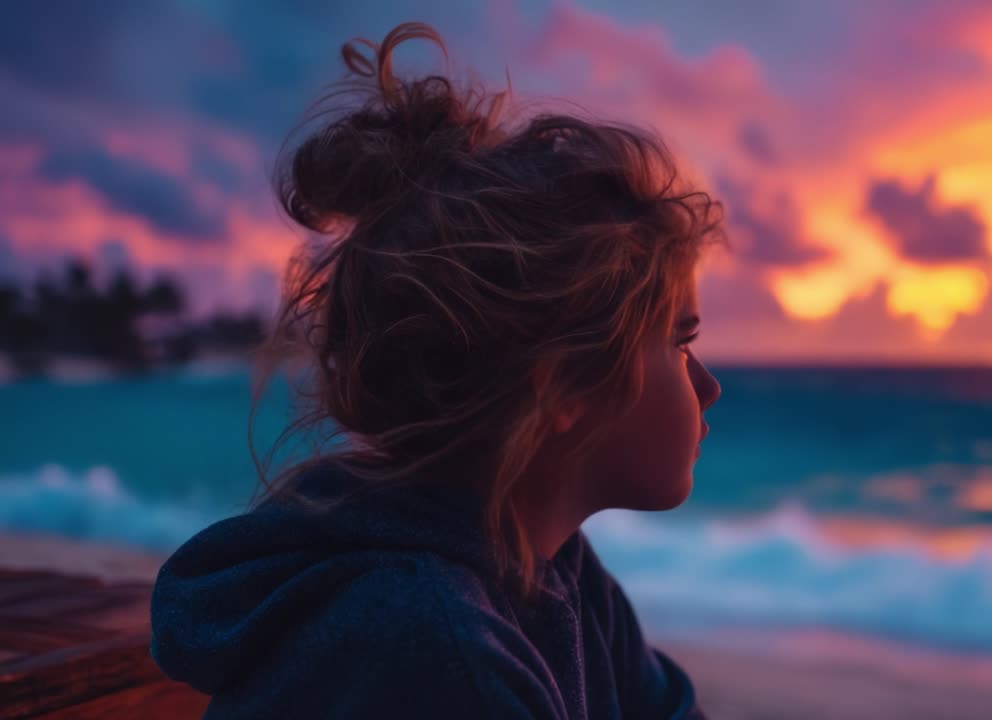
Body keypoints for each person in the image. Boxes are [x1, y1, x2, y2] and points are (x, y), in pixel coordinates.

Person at [149, 21, 723, 719]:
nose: (708, 387)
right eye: (679, 341)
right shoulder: (438, 652)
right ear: (563, 383)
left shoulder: (560, 572)